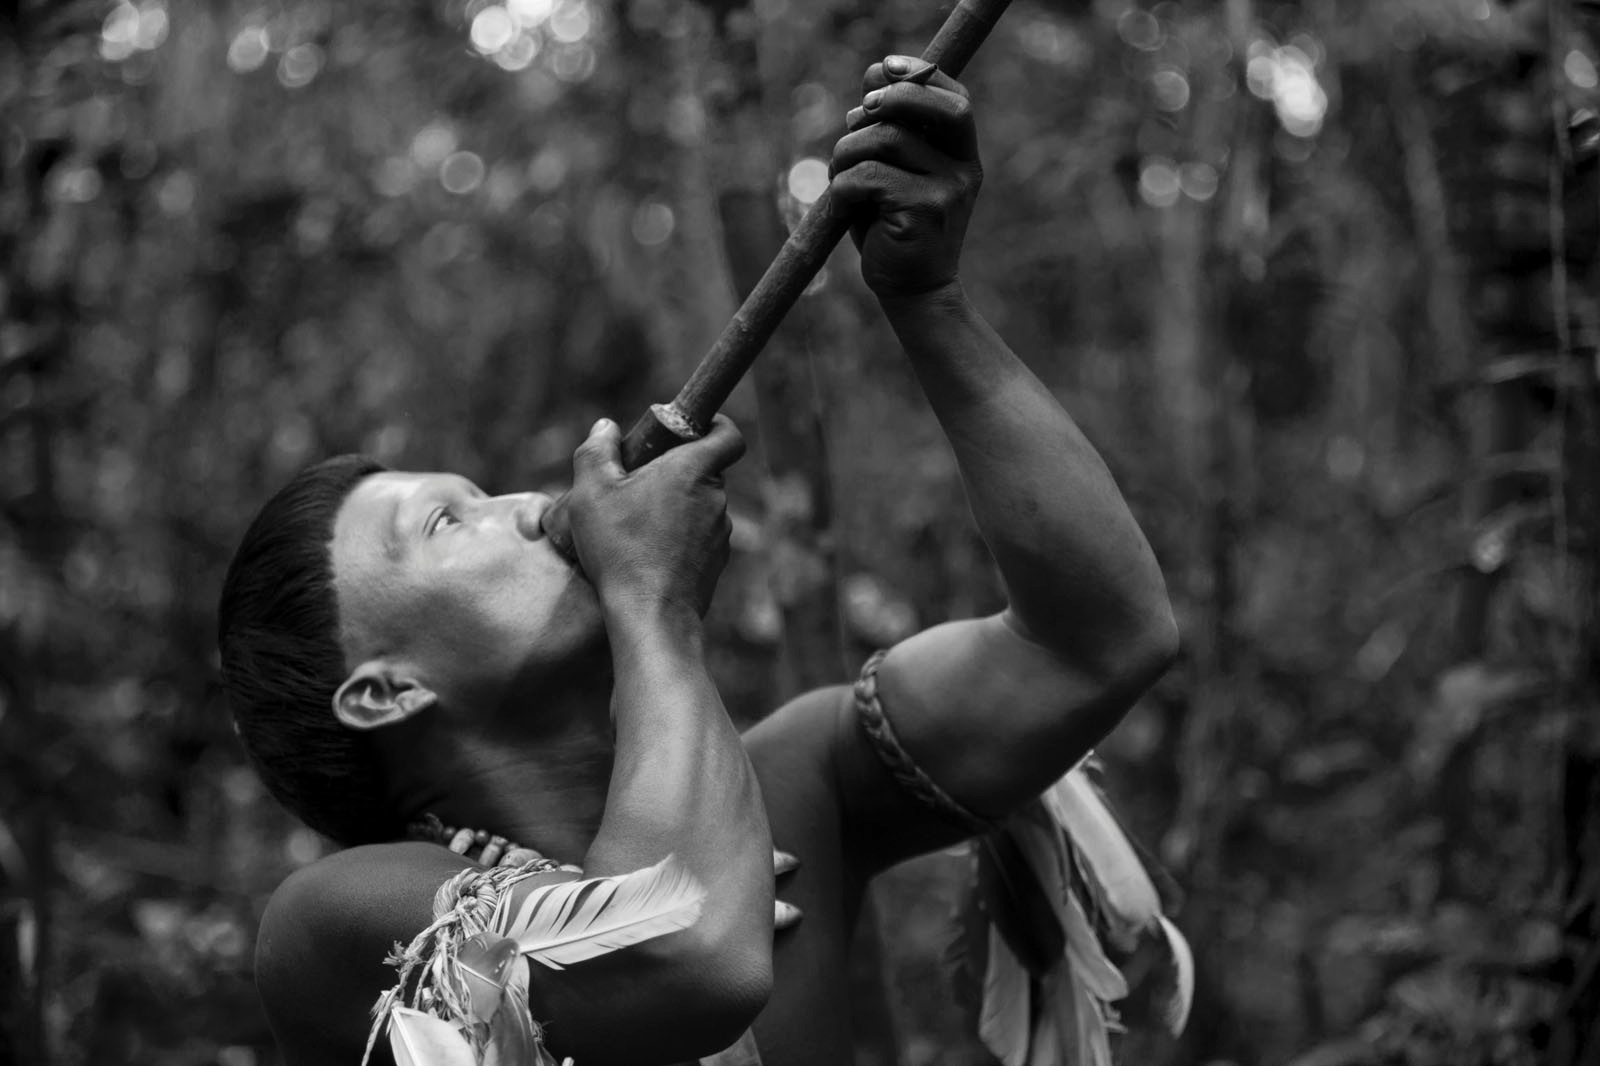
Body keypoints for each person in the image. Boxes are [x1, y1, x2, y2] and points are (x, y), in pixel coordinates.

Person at [219, 56, 1179, 1066]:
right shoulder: (342, 921)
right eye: (448, 524)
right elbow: (678, 956)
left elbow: (1100, 640)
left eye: (483, 490)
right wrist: (652, 598)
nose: (526, 505)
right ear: (382, 692)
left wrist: (926, 296)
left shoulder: (791, 785)